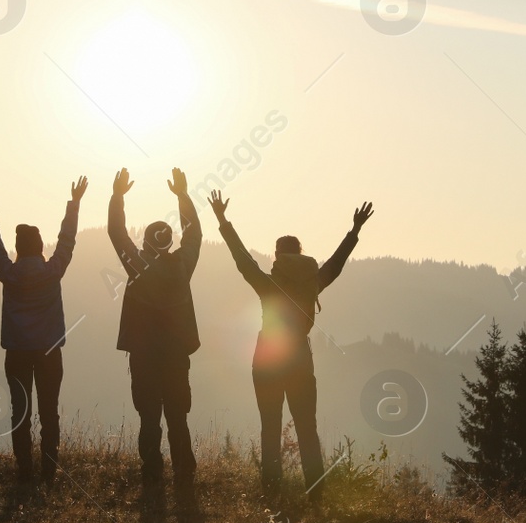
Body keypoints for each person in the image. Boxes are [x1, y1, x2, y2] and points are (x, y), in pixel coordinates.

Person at [208, 191, 373, 496]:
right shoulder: (313, 282)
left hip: (268, 357)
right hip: (299, 357)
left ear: (278, 257)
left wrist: (222, 220)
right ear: (301, 254)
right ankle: (316, 492)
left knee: (270, 426)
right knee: (306, 427)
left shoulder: (269, 285)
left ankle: (272, 490)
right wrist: (354, 231)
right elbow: (336, 264)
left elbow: (242, 259)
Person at [0, 175, 87, 483]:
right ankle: (49, 472)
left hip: (17, 352)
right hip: (50, 351)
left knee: (19, 413)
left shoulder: (8, 273)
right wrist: (74, 203)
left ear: (18, 249)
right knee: (50, 413)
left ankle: (24, 471)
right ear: (40, 248)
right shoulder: (53, 271)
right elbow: (67, 240)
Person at [108, 167, 201, 491]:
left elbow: (117, 234)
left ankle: (152, 473)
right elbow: (194, 236)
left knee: (149, 417)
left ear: (145, 243)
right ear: (170, 242)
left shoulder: (137, 266)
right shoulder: (182, 266)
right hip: (176, 356)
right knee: (178, 416)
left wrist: (118, 196)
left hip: (144, 356)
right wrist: (183, 196)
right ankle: (184, 472)